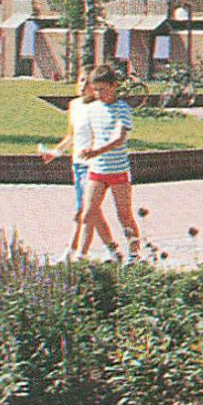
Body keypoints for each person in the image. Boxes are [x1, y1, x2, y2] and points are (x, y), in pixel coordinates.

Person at [78, 63, 142, 261]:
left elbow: (119, 138)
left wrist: (96, 151)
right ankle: (111, 250)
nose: (98, 93)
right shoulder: (92, 109)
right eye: (95, 89)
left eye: (103, 89)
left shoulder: (122, 109)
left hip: (118, 171)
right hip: (97, 169)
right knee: (89, 212)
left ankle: (135, 254)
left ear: (114, 86)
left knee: (124, 215)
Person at [41, 65, 96, 261]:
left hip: (95, 166)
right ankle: (114, 249)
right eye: (81, 80)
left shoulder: (100, 107)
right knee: (90, 211)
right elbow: (71, 136)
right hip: (78, 165)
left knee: (83, 210)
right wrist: (55, 152)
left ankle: (74, 252)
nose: (83, 85)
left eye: (88, 82)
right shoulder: (74, 106)